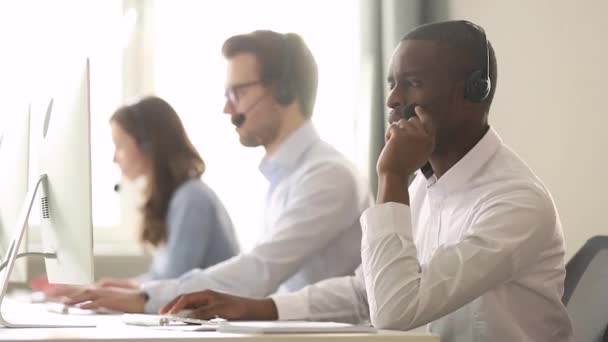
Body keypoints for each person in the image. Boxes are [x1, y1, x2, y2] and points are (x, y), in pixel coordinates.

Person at [154, 21, 574, 342]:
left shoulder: (515, 203)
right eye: (392, 84)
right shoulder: (428, 188)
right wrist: (256, 308)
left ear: (473, 92)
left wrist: (391, 174)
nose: (393, 100)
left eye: (412, 83)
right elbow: (364, 293)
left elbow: (394, 310)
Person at [65, 30, 370, 314]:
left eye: (237, 93)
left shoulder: (328, 176)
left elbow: (261, 270)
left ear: (283, 90)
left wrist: (146, 298)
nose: (227, 109)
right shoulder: (283, 179)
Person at [37, 96, 240, 297]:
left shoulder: (191, 199)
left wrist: (110, 292)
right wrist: (108, 288)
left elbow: (173, 283)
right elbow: (163, 278)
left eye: (120, 145)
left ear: (148, 144)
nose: (114, 158)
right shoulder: (177, 197)